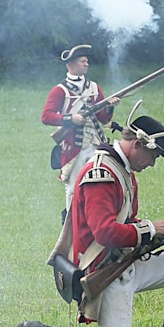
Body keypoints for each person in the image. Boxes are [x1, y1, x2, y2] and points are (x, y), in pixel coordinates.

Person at [17, 114, 164, 327]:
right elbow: (105, 232)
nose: (152, 163)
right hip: (106, 272)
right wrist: (150, 230)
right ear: (137, 145)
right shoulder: (102, 174)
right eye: (153, 156)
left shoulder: (121, 168)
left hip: (125, 262)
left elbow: (125, 223)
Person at [41, 44, 118, 208]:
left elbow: (103, 119)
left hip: (97, 144)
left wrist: (110, 106)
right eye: (83, 61)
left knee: (100, 185)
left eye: (86, 61)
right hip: (74, 148)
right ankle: (71, 225)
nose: (86, 64)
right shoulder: (60, 90)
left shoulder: (94, 87)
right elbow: (46, 116)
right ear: (71, 65)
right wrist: (71, 118)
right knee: (73, 189)